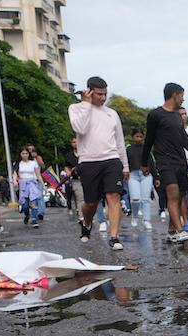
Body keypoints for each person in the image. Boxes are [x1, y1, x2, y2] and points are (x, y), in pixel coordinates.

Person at [68, 76, 130, 250]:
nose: (103, 98)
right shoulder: (76, 108)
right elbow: (79, 128)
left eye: (105, 94)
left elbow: (119, 141)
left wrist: (124, 166)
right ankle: (87, 223)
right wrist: (86, 104)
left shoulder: (112, 113)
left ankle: (114, 237)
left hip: (111, 160)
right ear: (89, 92)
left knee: (113, 196)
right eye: (99, 94)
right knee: (91, 203)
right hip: (88, 161)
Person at [142, 82, 188, 244]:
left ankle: (171, 231)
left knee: (180, 196)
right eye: (182, 96)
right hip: (164, 161)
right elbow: (148, 140)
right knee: (173, 193)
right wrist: (144, 162)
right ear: (174, 95)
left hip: (181, 162)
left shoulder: (177, 116)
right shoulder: (155, 115)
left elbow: (184, 139)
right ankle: (180, 229)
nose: (183, 99)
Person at [125, 129, 154, 230]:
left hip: (146, 175)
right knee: (135, 199)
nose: (139, 138)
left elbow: (151, 162)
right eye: (137, 136)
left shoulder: (147, 148)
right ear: (133, 137)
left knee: (146, 199)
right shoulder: (128, 149)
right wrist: (124, 172)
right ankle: (134, 216)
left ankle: (147, 220)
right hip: (133, 175)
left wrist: (156, 176)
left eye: (141, 136)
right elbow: (125, 162)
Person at [13, 146, 44, 228]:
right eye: (23, 153)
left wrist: (43, 184)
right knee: (25, 205)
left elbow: (38, 175)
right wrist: (15, 181)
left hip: (32, 184)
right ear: (20, 154)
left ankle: (34, 219)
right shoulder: (18, 163)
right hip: (23, 184)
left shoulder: (33, 163)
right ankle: (27, 215)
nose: (25, 155)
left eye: (26, 153)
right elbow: (15, 173)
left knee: (34, 202)